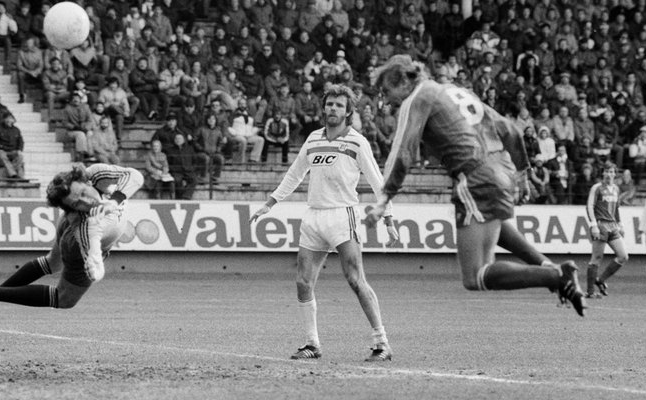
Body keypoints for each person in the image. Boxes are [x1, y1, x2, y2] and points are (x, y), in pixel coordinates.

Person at [365, 55, 586, 317]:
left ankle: (556, 276)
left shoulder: (418, 98)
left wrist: (384, 199)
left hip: (475, 175)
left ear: (402, 81)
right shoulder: (456, 90)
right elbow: (510, 130)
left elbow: (403, 151)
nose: (387, 100)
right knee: (492, 226)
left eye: (387, 91)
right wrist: (523, 174)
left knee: (475, 275)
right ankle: (551, 268)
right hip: (501, 171)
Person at [249, 84, 400, 362]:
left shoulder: (357, 142)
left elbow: (378, 182)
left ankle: (382, 343)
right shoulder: (313, 139)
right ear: (324, 107)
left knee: (355, 280)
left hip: (343, 215)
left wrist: (388, 219)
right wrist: (270, 203)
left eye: (339, 105)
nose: (333, 109)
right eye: (329, 104)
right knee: (303, 282)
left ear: (348, 111)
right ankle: (312, 344)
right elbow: (295, 174)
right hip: (314, 216)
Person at [0, 163, 143, 331]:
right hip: (76, 245)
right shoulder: (84, 226)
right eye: (77, 203)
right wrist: (94, 263)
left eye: (83, 193)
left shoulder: (95, 173)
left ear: (87, 181)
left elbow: (134, 175)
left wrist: (114, 200)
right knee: (65, 298)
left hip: (75, 228)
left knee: (52, 262)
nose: (87, 201)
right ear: (71, 209)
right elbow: (92, 259)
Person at [585, 162, 629, 298]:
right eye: (607, 172)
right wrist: (593, 225)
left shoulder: (616, 188)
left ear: (615, 174)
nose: (609, 174)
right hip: (600, 225)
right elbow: (589, 206)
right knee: (596, 258)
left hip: (612, 226)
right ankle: (590, 291)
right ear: (602, 173)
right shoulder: (596, 188)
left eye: (612, 172)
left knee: (623, 256)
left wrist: (620, 224)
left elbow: (616, 208)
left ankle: (600, 280)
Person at [0, 112, 24, 178]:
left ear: (13, 120)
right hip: (1, 150)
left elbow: (21, 141)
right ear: (4, 120)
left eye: (11, 119)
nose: (9, 121)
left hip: (13, 150)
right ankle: (13, 174)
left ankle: (12, 173)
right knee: (1, 155)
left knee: (20, 157)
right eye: (7, 119)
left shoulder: (16, 130)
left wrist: (19, 149)